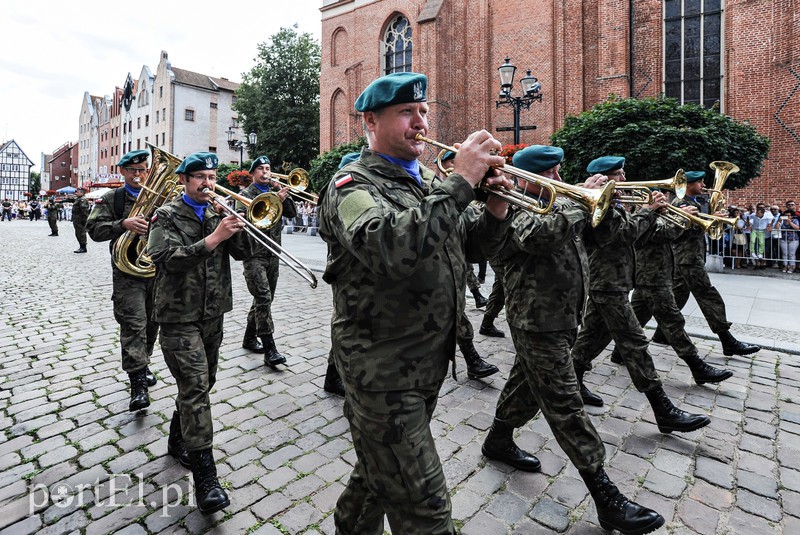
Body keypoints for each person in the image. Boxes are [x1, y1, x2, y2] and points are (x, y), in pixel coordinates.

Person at [318, 72, 514, 534]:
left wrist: (496, 209)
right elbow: (387, 246)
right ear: (370, 120)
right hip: (382, 370)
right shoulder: (351, 185)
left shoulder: (426, 180)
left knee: (378, 472)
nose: (421, 122)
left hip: (425, 362)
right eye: (407, 112)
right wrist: (462, 182)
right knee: (426, 512)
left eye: (423, 111)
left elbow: (471, 246)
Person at [482, 146, 665, 535]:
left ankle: (497, 440)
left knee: (526, 386)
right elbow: (539, 238)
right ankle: (605, 496)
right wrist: (584, 200)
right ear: (528, 178)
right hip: (535, 320)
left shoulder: (561, 204)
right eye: (553, 173)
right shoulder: (512, 207)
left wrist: (608, 202)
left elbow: (608, 238)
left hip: (564, 318)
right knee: (565, 403)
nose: (561, 180)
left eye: (561, 172)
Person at [147, 151, 249, 514]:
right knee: (194, 387)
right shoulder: (166, 215)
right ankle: (206, 479)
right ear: (184, 181)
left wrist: (237, 225)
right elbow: (165, 260)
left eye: (212, 176)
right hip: (178, 316)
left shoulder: (218, 211)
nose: (209, 184)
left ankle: (178, 439)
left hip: (212, 313)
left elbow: (244, 254)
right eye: (201, 178)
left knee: (204, 383)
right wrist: (212, 239)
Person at [651, 170, 760, 356]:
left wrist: (715, 218)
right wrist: (710, 219)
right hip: (687, 258)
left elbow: (703, 229)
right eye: (699, 182)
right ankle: (727, 340)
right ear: (688, 185)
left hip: (690, 257)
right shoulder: (680, 204)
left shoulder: (692, 203)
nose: (703, 185)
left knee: (677, 297)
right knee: (708, 296)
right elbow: (678, 233)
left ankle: (661, 334)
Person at [86, 150, 159, 412]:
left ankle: (145, 361)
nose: (138, 175)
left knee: (152, 323)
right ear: (123, 172)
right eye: (133, 170)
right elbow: (93, 231)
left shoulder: (159, 197)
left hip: (155, 270)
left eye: (142, 169)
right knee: (134, 324)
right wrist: (122, 224)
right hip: (126, 272)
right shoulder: (111, 198)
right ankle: (137, 382)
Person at [438, 150, 498, 380]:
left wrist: (495, 205)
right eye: (452, 162)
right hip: (440, 270)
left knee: (457, 311)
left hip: (457, 261)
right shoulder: (438, 189)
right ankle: (472, 359)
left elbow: (476, 240)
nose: (458, 165)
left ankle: (472, 360)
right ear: (443, 165)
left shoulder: (461, 191)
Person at [239, 155, 297, 367]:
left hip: (274, 253)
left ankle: (248, 337)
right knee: (262, 297)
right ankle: (270, 348)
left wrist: (285, 196)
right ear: (253, 173)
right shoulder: (245, 195)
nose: (265, 171)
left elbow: (292, 213)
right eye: (261, 169)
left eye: (268, 168)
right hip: (253, 254)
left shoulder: (276, 193)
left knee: (266, 298)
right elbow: (241, 221)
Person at [779, 207, 800, 273]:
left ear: (791, 216)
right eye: (786, 215)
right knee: (785, 253)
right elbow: (777, 227)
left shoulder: (795, 220)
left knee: (791, 253)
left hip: (793, 239)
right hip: (783, 239)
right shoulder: (782, 221)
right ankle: (785, 265)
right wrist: (779, 221)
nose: (787, 216)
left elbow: (797, 228)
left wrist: (790, 222)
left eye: (789, 215)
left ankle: (792, 266)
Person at [72, 187, 91, 253]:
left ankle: (83, 247)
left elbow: (84, 211)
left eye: (77, 192)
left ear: (82, 193)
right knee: (78, 233)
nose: (76, 193)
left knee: (81, 233)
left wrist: (85, 220)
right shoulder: (78, 199)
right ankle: (81, 246)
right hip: (77, 219)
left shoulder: (82, 200)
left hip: (80, 220)